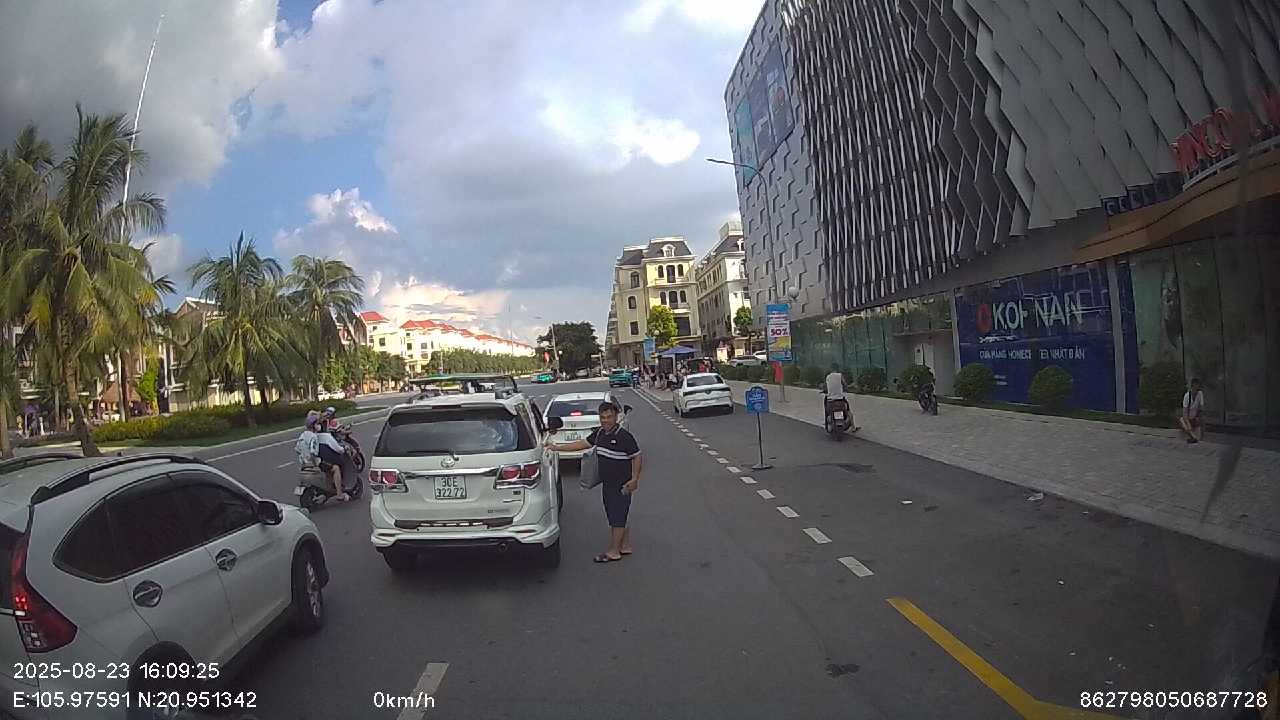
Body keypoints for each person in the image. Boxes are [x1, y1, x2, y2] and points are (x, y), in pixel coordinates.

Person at [546, 402, 641, 563]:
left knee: (617, 516)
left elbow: (637, 456)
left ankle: (614, 551)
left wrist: (634, 479)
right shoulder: (599, 434)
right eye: (602, 417)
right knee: (616, 514)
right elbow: (582, 444)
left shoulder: (624, 436)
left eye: (609, 417)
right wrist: (557, 448)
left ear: (616, 417)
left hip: (621, 485)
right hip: (607, 484)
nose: (606, 420)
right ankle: (624, 545)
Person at [824, 364, 861, 432]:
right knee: (849, 413)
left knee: (827, 412)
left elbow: (826, 387)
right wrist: (850, 386)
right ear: (837, 369)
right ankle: (853, 428)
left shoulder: (828, 377)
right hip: (840, 401)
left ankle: (829, 425)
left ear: (830, 369)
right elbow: (845, 385)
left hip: (830, 401)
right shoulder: (840, 375)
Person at [1179, 377, 1206, 444]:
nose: (1196, 388)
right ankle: (1194, 437)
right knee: (1183, 422)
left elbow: (1201, 408)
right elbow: (1184, 413)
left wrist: (1199, 418)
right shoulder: (1187, 396)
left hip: (1194, 418)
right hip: (1187, 419)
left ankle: (1198, 437)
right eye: (1195, 386)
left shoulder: (1200, 394)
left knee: (1203, 419)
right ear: (1192, 386)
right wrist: (1188, 423)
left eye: (1198, 386)